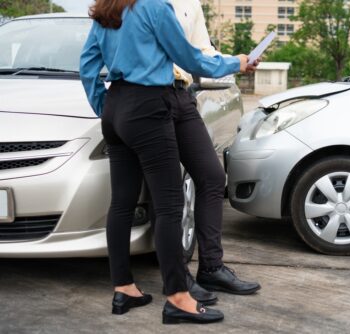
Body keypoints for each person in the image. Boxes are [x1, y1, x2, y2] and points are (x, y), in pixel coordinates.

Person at [80, 0, 256, 325]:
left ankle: (124, 288)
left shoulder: (106, 9)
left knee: (121, 202)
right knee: (169, 205)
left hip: (116, 105)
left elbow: (87, 64)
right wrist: (237, 62)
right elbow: (190, 59)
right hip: (149, 105)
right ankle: (177, 297)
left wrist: (105, 106)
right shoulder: (155, 7)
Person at [151, 0, 261, 306]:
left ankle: (211, 267)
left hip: (182, 95)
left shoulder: (190, 4)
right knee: (169, 194)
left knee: (213, 177)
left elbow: (202, 52)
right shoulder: (140, 4)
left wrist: (237, 62)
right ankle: (177, 278)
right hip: (148, 97)